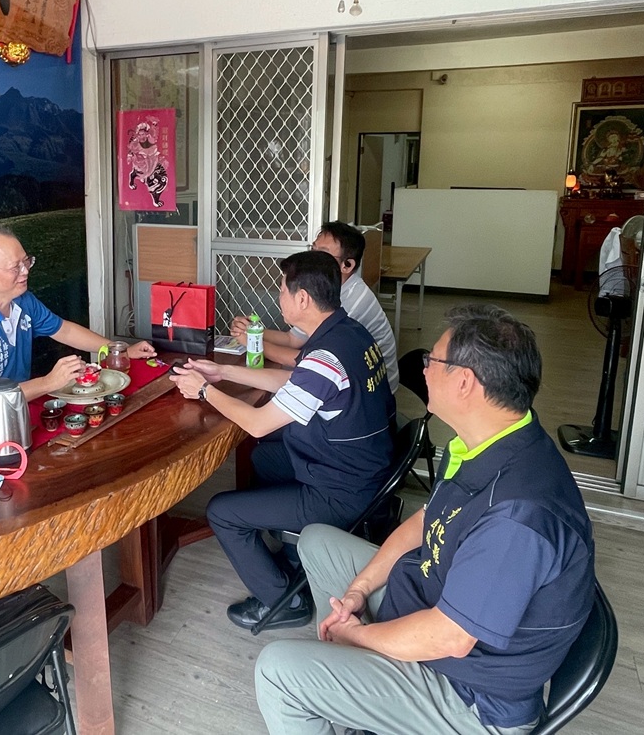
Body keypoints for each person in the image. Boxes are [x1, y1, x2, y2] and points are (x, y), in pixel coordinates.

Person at [254, 304, 595, 735]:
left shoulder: (518, 517)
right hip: (430, 602)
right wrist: (358, 591)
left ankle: (345, 683)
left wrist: (356, 635)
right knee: (318, 541)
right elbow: (426, 520)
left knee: (276, 671)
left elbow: (449, 637)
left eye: (432, 360)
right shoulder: (489, 441)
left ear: (465, 382)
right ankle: (353, 696)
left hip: (470, 697)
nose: (425, 368)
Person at [172, 251, 396, 631]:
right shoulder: (347, 332)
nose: (279, 298)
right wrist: (222, 371)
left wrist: (205, 391)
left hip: (342, 491)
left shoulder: (326, 356)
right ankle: (292, 550)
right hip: (363, 469)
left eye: (281, 291)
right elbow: (295, 383)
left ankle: (283, 600)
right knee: (264, 459)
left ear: (302, 298)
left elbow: (258, 424)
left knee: (222, 512)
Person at [0, 225, 155, 432]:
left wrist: (117, 350)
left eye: (26, 261)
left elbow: (63, 330)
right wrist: (49, 382)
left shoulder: (21, 300)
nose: (25, 271)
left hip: (19, 405)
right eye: (15, 267)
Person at [231, 221, 399, 393]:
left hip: (370, 391)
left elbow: (302, 359)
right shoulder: (326, 289)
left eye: (322, 253)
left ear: (347, 265)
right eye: (313, 249)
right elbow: (292, 339)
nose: (312, 258)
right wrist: (251, 331)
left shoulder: (351, 301)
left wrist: (254, 343)